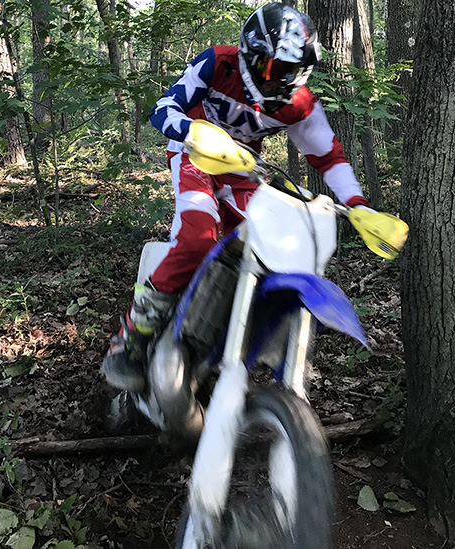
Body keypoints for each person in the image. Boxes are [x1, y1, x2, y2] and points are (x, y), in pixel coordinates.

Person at [101, 2, 372, 392]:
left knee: (268, 244)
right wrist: (193, 131)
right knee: (198, 235)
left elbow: (328, 156)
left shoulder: (300, 102)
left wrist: (360, 207)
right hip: (193, 155)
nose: (281, 79)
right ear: (250, 53)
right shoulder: (218, 63)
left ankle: (225, 335)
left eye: (293, 71)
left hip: (243, 170)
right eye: (274, 68)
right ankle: (133, 335)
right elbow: (162, 108)